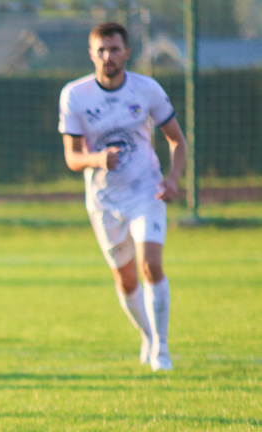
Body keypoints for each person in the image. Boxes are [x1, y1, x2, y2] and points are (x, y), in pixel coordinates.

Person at [58, 22, 186, 371]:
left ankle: (161, 350)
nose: (107, 56)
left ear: (126, 53)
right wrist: (96, 159)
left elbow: (178, 141)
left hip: (147, 191)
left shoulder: (147, 90)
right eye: (100, 50)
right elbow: (72, 158)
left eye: (113, 49)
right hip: (104, 201)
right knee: (126, 277)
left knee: (150, 265)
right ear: (91, 54)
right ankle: (147, 335)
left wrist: (173, 179)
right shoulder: (75, 95)